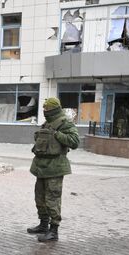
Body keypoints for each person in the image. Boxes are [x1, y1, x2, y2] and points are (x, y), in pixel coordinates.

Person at [27, 97, 79, 242]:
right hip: (41, 167)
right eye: (43, 108)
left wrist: (57, 134)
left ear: (54, 109)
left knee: (52, 199)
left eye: (47, 108)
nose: (44, 111)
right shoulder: (47, 122)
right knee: (40, 198)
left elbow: (75, 142)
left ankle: (54, 230)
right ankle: (43, 225)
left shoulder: (64, 122)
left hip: (55, 168)